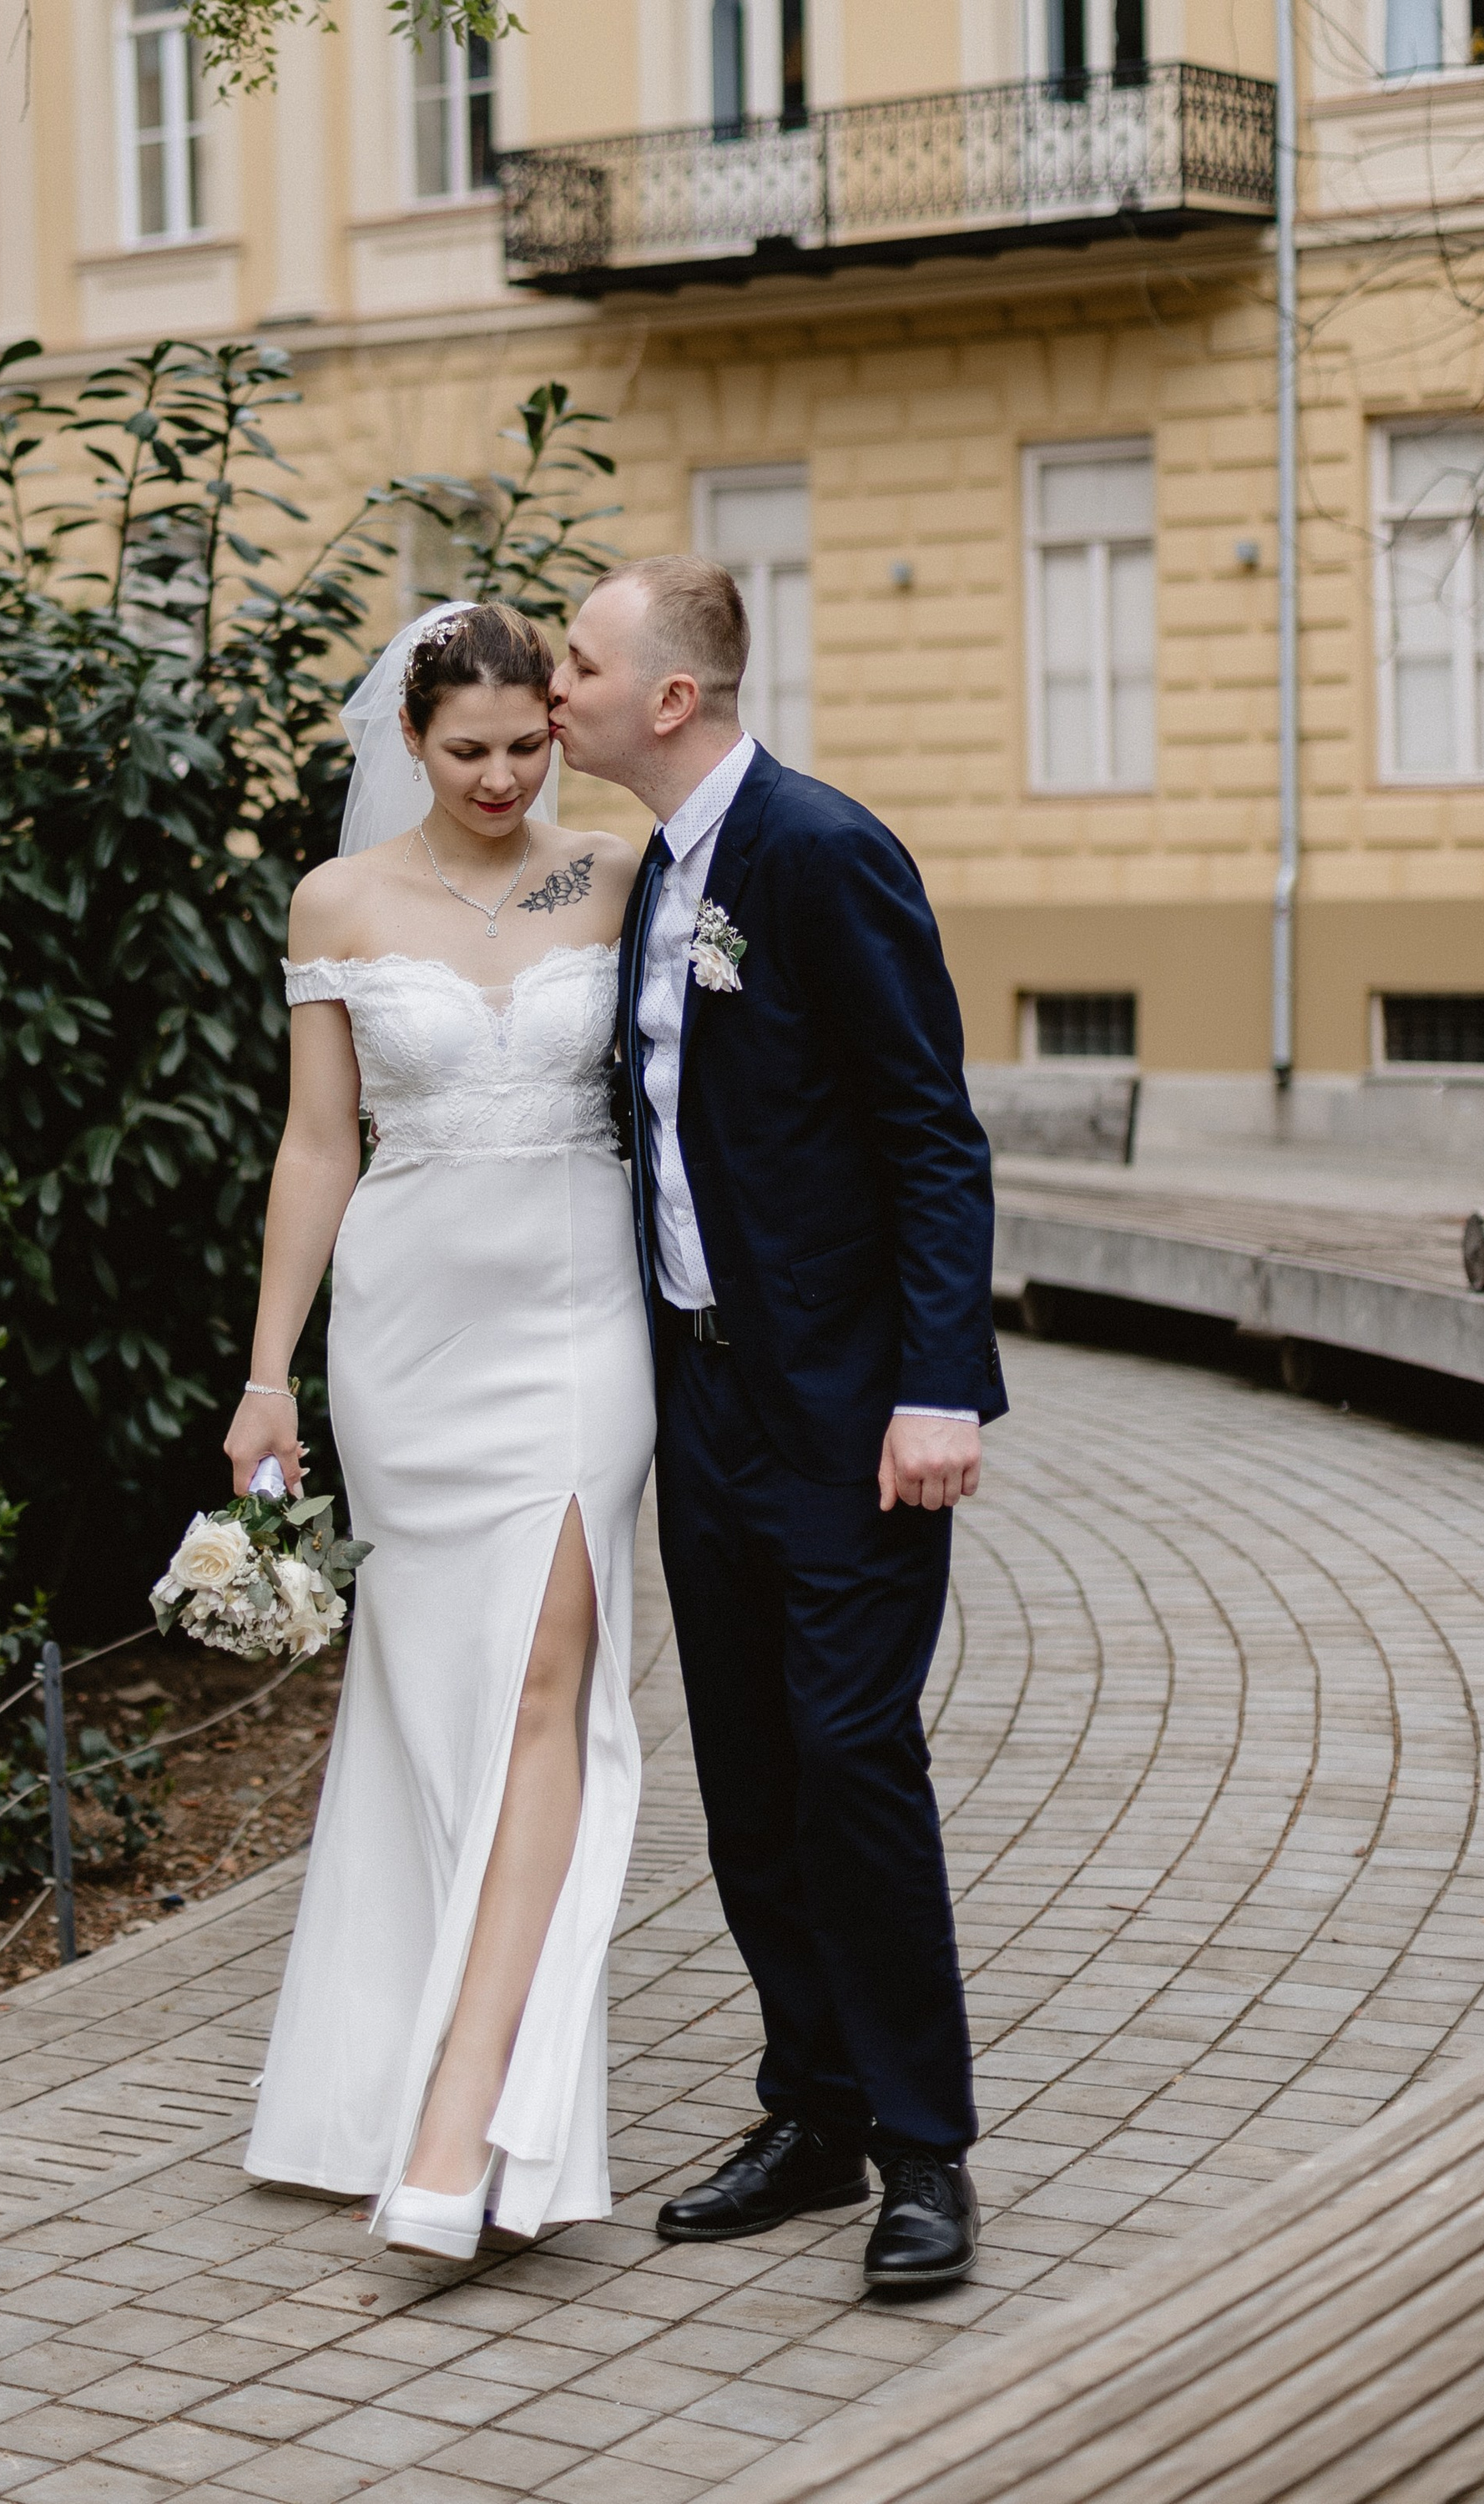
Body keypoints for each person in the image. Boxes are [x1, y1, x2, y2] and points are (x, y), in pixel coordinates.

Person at [548, 556, 1004, 2291]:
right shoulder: (653, 871)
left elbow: (927, 1131)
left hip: (845, 1409)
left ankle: (921, 2152)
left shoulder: (819, 851)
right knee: (744, 1768)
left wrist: (934, 1382)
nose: (557, 684)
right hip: (701, 1394)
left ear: (670, 697)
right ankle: (809, 2107)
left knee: (847, 1757)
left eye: (582, 661)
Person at [235, 600, 655, 2257]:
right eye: (464, 750)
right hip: (404, 1337)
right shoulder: (337, 899)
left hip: (578, 1320)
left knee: (552, 1675)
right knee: (429, 1710)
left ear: (557, 729)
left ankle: (465, 2116)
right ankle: (372, 2077)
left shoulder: (614, 876)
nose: (497, 776)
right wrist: (268, 1376)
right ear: (406, 743)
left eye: (524, 746)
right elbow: (314, 1149)